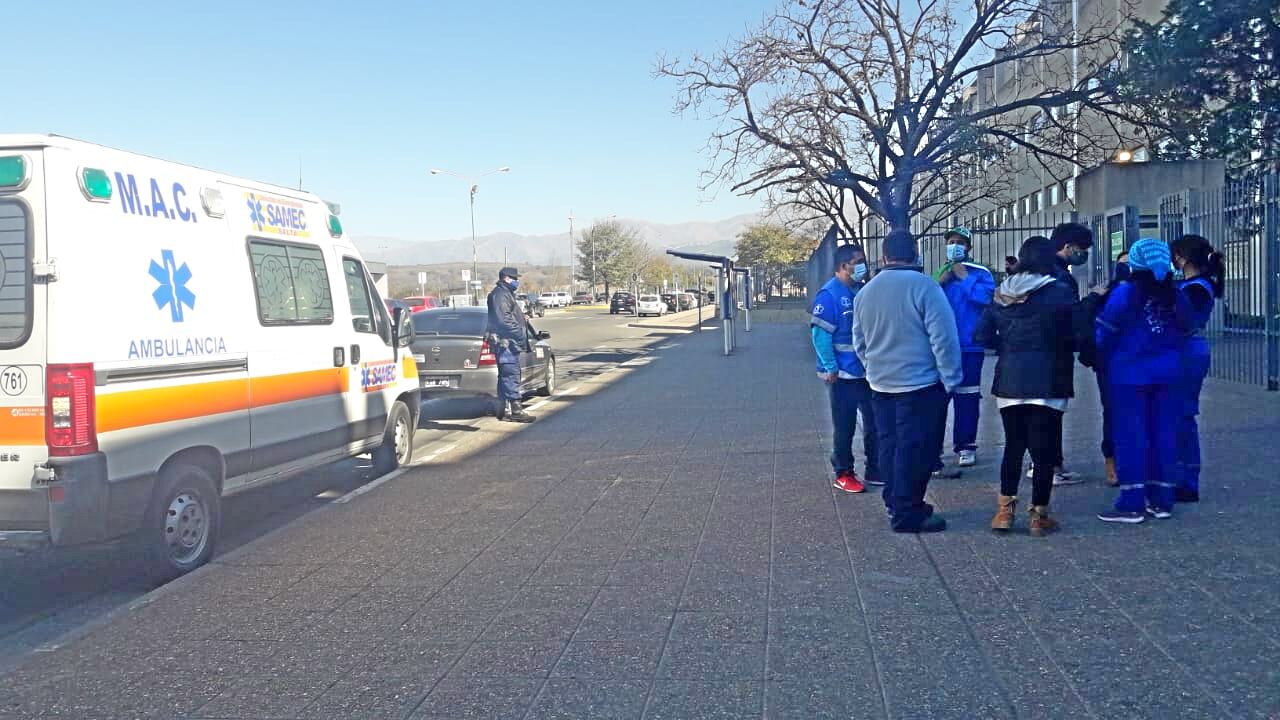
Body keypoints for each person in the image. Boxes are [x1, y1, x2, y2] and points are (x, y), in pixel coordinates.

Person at [852, 229, 962, 533]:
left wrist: (873, 368)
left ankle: (894, 500)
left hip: (880, 384)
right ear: (915, 253)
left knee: (890, 446)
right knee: (918, 449)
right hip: (920, 384)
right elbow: (944, 339)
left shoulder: (866, 293)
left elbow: (859, 342)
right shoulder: (925, 288)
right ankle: (908, 511)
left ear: (884, 256)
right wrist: (950, 379)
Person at [974, 236, 1076, 536]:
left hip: (1010, 379)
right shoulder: (1058, 291)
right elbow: (1076, 332)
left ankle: (1004, 512)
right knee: (1043, 450)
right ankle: (1038, 516)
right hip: (1049, 378)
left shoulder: (1001, 293)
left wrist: (1007, 345)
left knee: (1013, 446)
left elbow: (982, 335)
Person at [1095, 238, 1191, 523]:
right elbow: (1189, 327)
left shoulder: (1125, 293)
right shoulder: (1177, 295)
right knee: (1164, 434)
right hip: (1170, 372)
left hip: (1129, 375)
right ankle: (1162, 499)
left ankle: (1132, 501)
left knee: (1131, 436)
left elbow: (1104, 333)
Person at [810, 244, 879, 493]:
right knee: (845, 426)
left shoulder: (860, 290)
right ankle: (843, 472)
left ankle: (876, 467)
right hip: (842, 374)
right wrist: (829, 367)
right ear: (843, 266)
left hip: (866, 371)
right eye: (858, 261)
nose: (863, 266)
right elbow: (820, 334)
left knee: (874, 422)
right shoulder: (829, 295)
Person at [1032, 222, 1095, 486]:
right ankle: (1051, 466)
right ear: (1068, 246)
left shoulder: (1039, 270)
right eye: (1082, 249)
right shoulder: (1060, 277)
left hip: (1035, 351)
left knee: (1040, 413)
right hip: (1055, 351)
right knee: (1051, 412)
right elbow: (1070, 315)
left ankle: (1043, 463)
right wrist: (1093, 300)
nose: (1084, 254)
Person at [931, 226, 995, 471]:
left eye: (960, 242)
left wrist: (964, 278)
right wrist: (941, 281)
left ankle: (966, 445)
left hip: (970, 346)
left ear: (969, 247)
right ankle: (933, 446)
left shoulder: (980, 273)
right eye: (951, 242)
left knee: (967, 397)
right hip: (941, 347)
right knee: (937, 398)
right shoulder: (940, 273)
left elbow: (986, 298)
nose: (954, 246)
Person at [1171, 234, 1225, 503]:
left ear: (1181, 257)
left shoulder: (1195, 288)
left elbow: (1179, 319)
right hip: (1187, 349)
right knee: (1180, 415)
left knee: (1182, 415)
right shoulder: (1193, 284)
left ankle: (1187, 479)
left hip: (1186, 351)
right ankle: (1182, 476)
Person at [1077, 251, 1130, 487]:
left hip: (1138, 362)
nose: (1127, 269)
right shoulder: (1106, 294)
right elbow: (1088, 325)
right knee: (1113, 411)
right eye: (1123, 264)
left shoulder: (1152, 292)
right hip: (1109, 363)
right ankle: (1112, 459)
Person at [486, 267, 535, 423]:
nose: (517, 281)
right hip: (506, 343)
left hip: (507, 342)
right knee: (510, 374)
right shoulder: (500, 295)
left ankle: (501, 409)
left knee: (505, 375)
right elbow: (504, 320)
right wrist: (520, 333)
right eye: (515, 278)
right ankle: (516, 410)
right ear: (506, 278)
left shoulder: (505, 294)